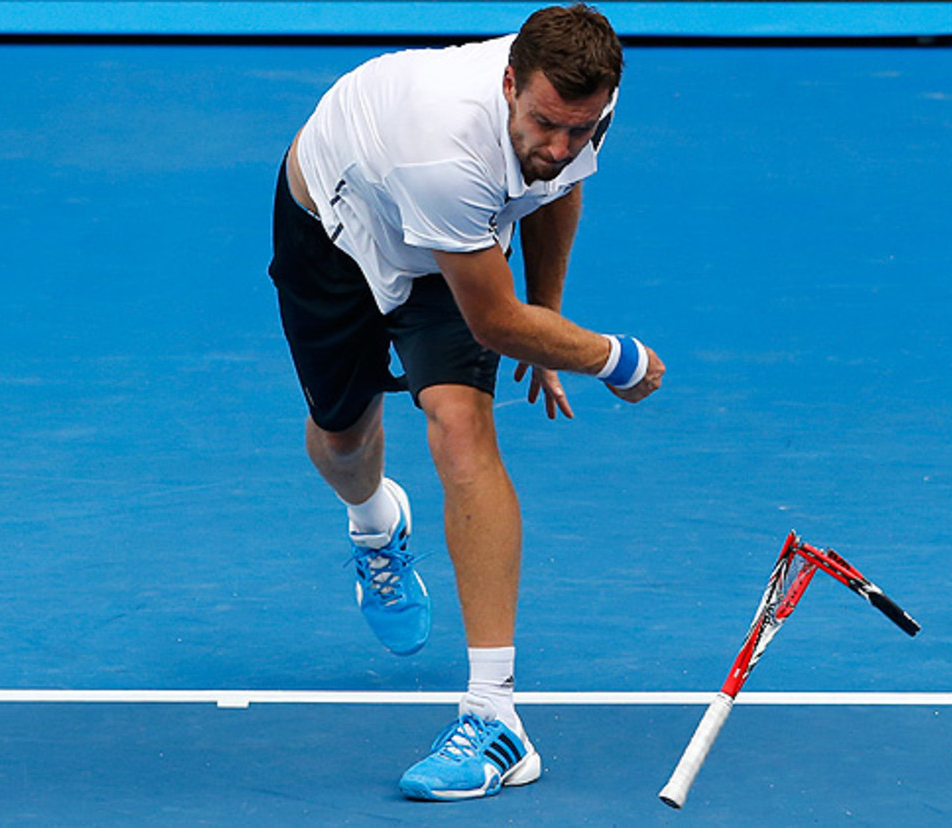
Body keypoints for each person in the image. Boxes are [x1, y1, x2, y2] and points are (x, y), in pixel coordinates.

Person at [267, 3, 665, 802]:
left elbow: (553, 188)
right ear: (509, 82)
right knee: (340, 442)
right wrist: (613, 359)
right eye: (546, 123)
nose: (559, 145)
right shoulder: (445, 153)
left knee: (460, 429)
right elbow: (494, 320)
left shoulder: (586, 109)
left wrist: (545, 321)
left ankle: (496, 719)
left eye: (579, 129)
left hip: (451, 238)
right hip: (337, 224)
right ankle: (377, 520)